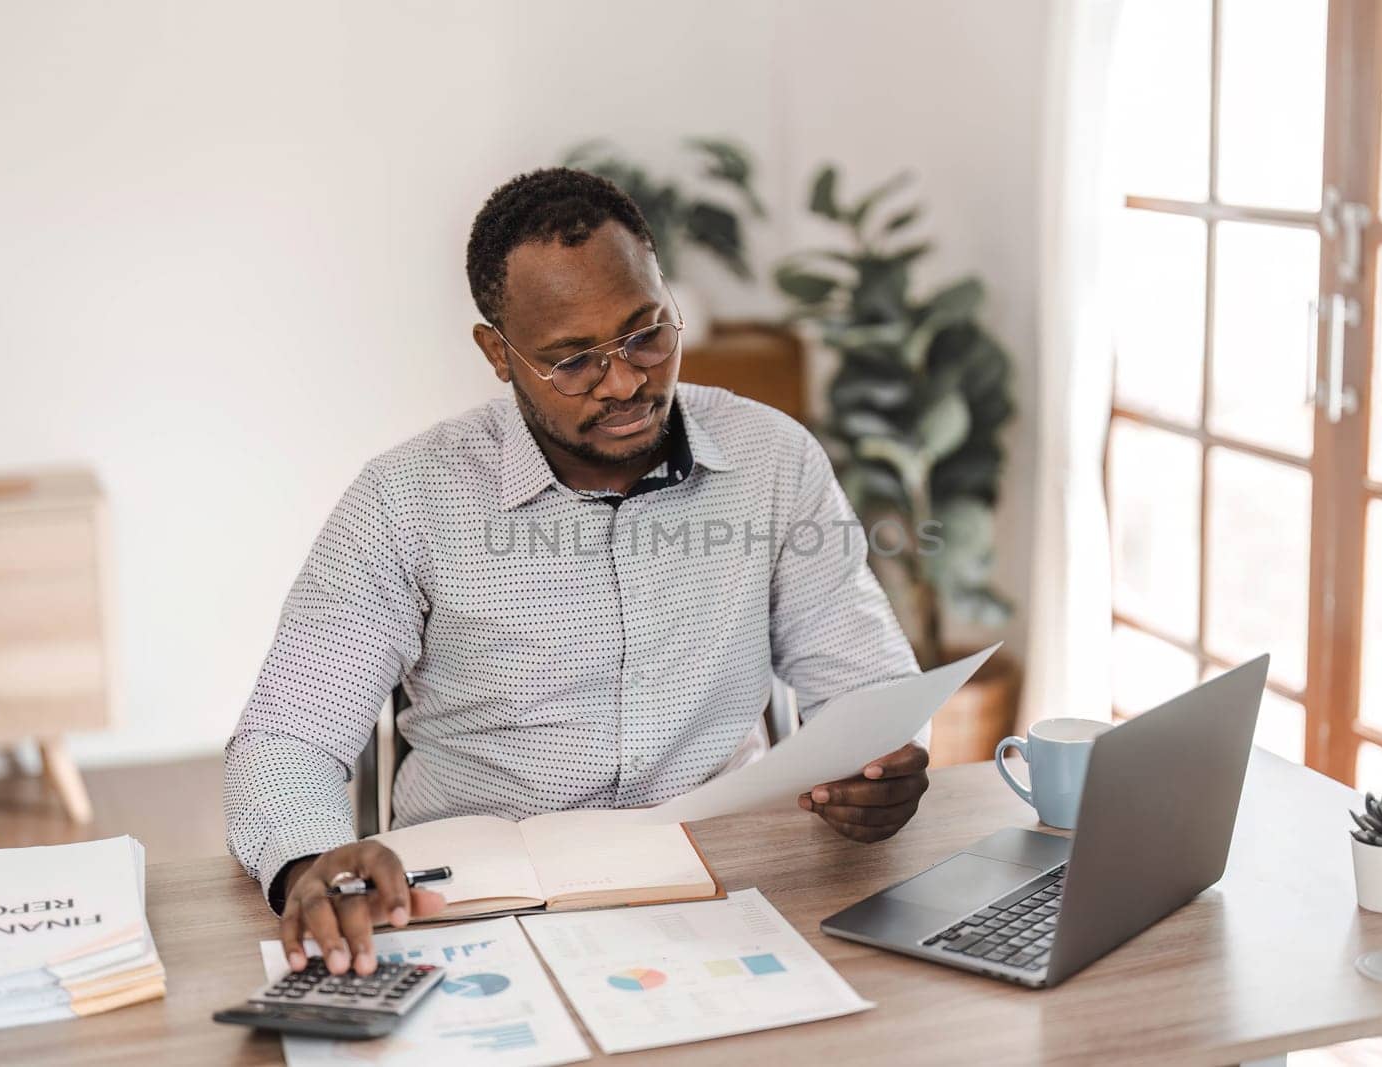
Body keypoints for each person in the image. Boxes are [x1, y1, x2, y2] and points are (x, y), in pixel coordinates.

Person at [224, 167, 926, 979]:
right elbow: (287, 736)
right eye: (573, 361)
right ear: (498, 352)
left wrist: (882, 761)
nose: (626, 381)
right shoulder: (405, 499)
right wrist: (306, 859)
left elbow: (869, 681)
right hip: (477, 899)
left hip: (726, 879)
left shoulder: (775, 458)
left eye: (646, 335)